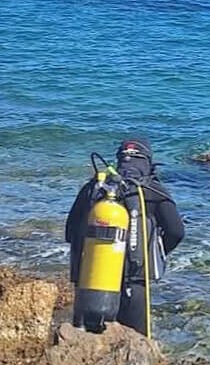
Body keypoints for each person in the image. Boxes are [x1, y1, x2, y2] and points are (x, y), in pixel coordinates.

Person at [65, 138, 184, 336]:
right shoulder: (152, 190)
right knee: (136, 346)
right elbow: (176, 232)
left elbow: (70, 232)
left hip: (92, 282)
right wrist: (154, 253)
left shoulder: (95, 188)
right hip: (135, 282)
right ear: (148, 161)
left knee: (88, 342)